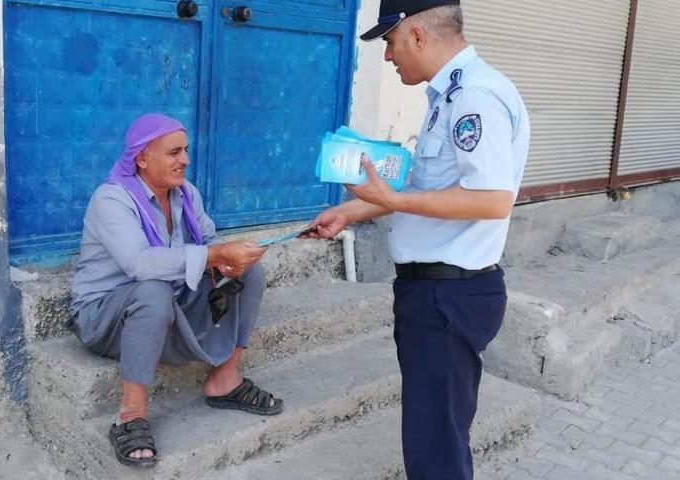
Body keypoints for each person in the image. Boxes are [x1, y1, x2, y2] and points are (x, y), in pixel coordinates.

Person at [304, 1, 530, 478]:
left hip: (447, 296)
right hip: (434, 292)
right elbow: (427, 189)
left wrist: (395, 201)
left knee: (435, 453)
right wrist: (352, 210)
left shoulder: (475, 98)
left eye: (389, 42)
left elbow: (492, 199)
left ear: (417, 35)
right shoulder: (448, 97)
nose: (388, 57)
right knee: (437, 439)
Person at [68, 113, 283, 468]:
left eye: (185, 150)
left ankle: (224, 379)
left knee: (251, 274)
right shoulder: (111, 200)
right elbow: (140, 264)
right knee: (151, 291)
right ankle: (131, 414)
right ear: (142, 158)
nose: (185, 159)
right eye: (174, 152)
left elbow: (209, 240)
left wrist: (229, 258)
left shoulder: (186, 194)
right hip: (105, 318)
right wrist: (213, 255)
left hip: (168, 305)